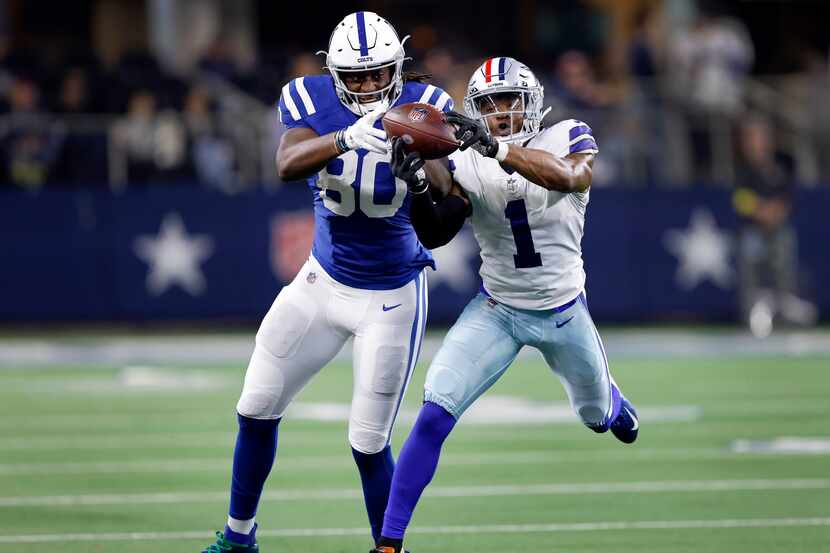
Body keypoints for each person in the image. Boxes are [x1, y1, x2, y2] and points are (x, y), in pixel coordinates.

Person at [200, 11, 454, 553]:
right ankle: (239, 538)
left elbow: (447, 190)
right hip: (322, 278)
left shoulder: (424, 105)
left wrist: (419, 159)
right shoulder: (309, 99)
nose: (366, 86)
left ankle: (389, 550)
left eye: (377, 74)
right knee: (255, 404)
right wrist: (344, 137)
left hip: (391, 294)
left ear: (398, 68)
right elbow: (287, 162)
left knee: (367, 441)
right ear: (334, 74)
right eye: (355, 77)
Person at [370, 57, 639, 553]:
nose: (501, 113)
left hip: (563, 312)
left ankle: (613, 403)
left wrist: (498, 148)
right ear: (475, 109)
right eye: (490, 105)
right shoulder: (465, 159)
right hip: (497, 309)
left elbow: (568, 177)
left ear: (533, 101)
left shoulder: (568, 135)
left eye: (510, 100)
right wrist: (418, 185)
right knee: (434, 411)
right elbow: (436, 229)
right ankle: (389, 544)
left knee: (596, 416)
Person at [733, 116, 817, 336]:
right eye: (750, 138)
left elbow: (788, 197)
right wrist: (762, 212)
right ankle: (755, 315)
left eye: (759, 137)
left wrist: (775, 213)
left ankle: (785, 311)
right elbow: (741, 200)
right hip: (753, 230)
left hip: (778, 229)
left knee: (783, 262)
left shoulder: (781, 164)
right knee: (752, 269)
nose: (755, 142)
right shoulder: (742, 170)